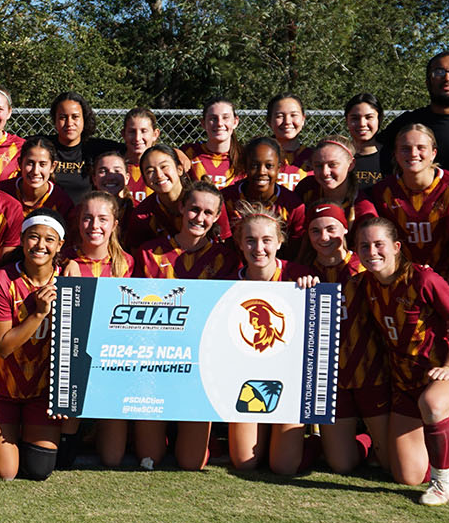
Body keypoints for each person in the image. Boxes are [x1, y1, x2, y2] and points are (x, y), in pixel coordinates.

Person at [347, 216, 449, 506]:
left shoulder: (424, 279)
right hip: (404, 385)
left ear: (396, 247)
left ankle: (442, 485)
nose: (372, 252)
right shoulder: (364, 284)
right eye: (364, 246)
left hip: (444, 379)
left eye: (379, 244)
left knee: (432, 404)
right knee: (407, 475)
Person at [133, 180, 239, 471]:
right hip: (154, 363)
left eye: (208, 213)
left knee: (191, 463)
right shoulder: (149, 253)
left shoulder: (227, 258)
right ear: (181, 207)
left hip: (200, 366)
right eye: (194, 209)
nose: (199, 218)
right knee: (149, 458)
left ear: (217, 217)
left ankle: (201, 439)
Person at [65, 192, 160, 469]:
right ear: (78, 222)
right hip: (75, 364)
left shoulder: (127, 264)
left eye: (102, 219)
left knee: (111, 458)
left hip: (112, 363)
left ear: (115, 224)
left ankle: (100, 427)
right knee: (64, 458)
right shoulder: (65, 261)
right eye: (88, 218)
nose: (95, 226)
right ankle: (76, 430)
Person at [221, 207, 316, 475]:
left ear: (280, 242)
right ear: (239, 243)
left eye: (266, 240)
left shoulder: (300, 278)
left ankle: (316, 443)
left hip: (290, 384)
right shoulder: (228, 285)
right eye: (250, 240)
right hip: (248, 382)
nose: (258, 248)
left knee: (283, 467)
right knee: (244, 462)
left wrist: (313, 290)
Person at [298, 204, 385, 474]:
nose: (323, 237)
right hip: (329, 382)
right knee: (342, 464)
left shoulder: (366, 266)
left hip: (373, 374)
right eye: (315, 231)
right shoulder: (303, 274)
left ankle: (378, 442)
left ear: (345, 228)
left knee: (395, 467)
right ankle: (360, 442)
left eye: (330, 229)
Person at [0, 210, 67, 481]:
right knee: (6, 473)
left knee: (40, 470)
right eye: (33, 237)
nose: (40, 245)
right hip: (2, 392)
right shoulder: (2, 280)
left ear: (59, 245)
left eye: (49, 240)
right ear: (21, 239)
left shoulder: (68, 281)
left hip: (42, 395)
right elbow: (3, 346)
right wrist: (39, 314)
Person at [366, 124, 449, 274]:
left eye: (421, 147)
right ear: (396, 154)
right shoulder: (383, 191)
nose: (413, 153)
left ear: (433, 153)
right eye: (405, 148)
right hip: (402, 279)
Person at [287, 137, 376, 243]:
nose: (325, 172)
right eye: (318, 165)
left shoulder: (362, 209)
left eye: (332, 165)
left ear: (351, 165)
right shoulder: (307, 188)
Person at [217, 137, 302, 242]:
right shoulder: (225, 199)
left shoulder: (292, 205)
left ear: (279, 168)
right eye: (254, 165)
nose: (262, 172)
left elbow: (297, 249)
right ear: (245, 166)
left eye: (269, 166)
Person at [43, 91, 123, 202]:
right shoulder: (43, 147)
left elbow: (134, 150)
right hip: (49, 216)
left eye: (75, 117)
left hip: (85, 216)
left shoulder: (98, 148)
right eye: (63, 117)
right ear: (55, 120)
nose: (69, 123)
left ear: (84, 119)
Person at [123, 145, 187, 251]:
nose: (159, 175)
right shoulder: (141, 215)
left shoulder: (202, 201)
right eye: (150, 171)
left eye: (164, 167)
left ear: (179, 169)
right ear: (145, 180)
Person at [0, 136, 74, 218]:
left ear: (52, 167)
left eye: (42, 164)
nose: (35, 171)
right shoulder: (3, 191)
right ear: (20, 163)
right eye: (30, 163)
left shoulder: (61, 201)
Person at [181, 98, 240, 187]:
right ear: (203, 123)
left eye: (225, 117)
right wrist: (176, 152)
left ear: (235, 122)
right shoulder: (187, 153)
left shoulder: (245, 157)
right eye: (213, 118)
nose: (219, 123)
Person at [267, 93, 312, 188]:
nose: (287, 121)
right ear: (269, 121)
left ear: (303, 119)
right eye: (279, 116)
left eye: (293, 115)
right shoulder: (256, 156)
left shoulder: (315, 157)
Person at [120, 107, 162, 204]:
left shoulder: (164, 169)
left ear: (155, 134)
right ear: (123, 134)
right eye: (132, 131)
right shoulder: (114, 168)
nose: (137, 138)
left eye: (144, 131)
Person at [344, 93, 385, 189]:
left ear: (379, 119)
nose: (362, 124)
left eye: (369, 117)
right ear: (347, 120)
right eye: (355, 118)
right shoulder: (338, 155)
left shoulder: (390, 157)